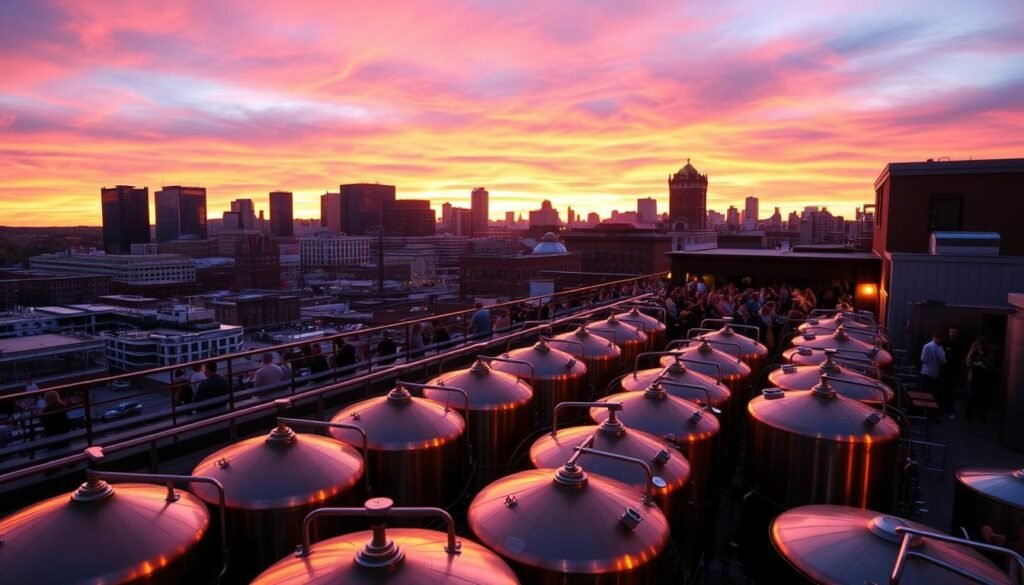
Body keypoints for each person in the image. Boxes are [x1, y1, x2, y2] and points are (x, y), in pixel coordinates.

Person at [965, 337, 996, 422]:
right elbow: (967, 363)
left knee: (983, 398)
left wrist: (984, 366)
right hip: (973, 378)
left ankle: (981, 415)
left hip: (984, 379)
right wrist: (974, 364)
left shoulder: (989, 354)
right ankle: (969, 415)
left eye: (981, 345)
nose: (980, 347)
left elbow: (991, 366)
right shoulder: (973, 352)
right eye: (978, 345)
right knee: (971, 397)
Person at [920, 331, 949, 418]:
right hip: (933, 373)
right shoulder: (938, 348)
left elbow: (923, 359)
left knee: (924, 393)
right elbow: (942, 361)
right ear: (940, 338)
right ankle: (930, 414)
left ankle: (923, 413)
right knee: (932, 395)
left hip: (924, 371)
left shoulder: (926, 345)